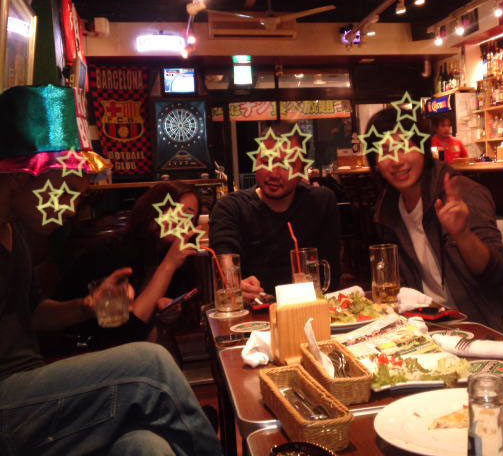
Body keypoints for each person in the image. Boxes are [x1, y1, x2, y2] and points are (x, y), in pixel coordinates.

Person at [0, 88, 221, 454]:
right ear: (22, 178)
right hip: (11, 401)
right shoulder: (110, 249)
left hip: (32, 387)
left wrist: (88, 305)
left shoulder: (17, 232)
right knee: (151, 365)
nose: (71, 208)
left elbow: (34, 313)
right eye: (65, 192)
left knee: (146, 446)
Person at [366, 108, 503, 343]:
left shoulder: (462, 193)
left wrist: (462, 234)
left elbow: (496, 274)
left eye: (405, 146)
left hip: (487, 332)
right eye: (385, 151)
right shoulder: (388, 210)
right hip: (431, 331)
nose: (397, 160)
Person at [56, 182, 201, 354]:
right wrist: (168, 265)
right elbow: (127, 334)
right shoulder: (109, 250)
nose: (182, 222)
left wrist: (165, 312)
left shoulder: (168, 253)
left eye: (190, 217)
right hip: (81, 350)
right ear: (153, 210)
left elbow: (184, 320)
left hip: (132, 349)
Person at [210, 121, 341, 301]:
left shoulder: (320, 202)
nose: (273, 173)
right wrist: (236, 285)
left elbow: (331, 273)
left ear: (303, 169)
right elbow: (225, 267)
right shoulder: (231, 207)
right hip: (254, 312)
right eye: (266, 162)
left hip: (307, 308)